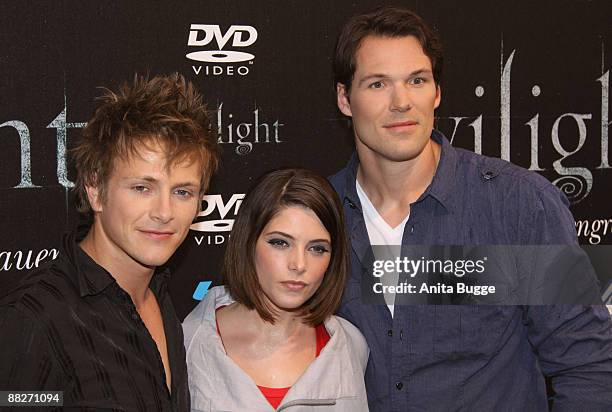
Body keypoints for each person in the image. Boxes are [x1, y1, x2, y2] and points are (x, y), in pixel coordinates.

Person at [329, 6, 612, 411]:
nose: (401, 102)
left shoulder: (518, 205)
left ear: (437, 92)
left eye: (417, 80)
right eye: (377, 84)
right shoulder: (319, 216)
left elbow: (590, 367)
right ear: (345, 98)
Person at [0, 73, 219, 411]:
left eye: (182, 192)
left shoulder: (161, 299)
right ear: (95, 189)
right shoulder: (35, 320)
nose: (165, 212)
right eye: (142, 188)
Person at [183, 168, 369, 411]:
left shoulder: (352, 345)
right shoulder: (187, 344)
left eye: (317, 248)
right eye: (280, 243)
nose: (299, 264)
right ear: (248, 242)